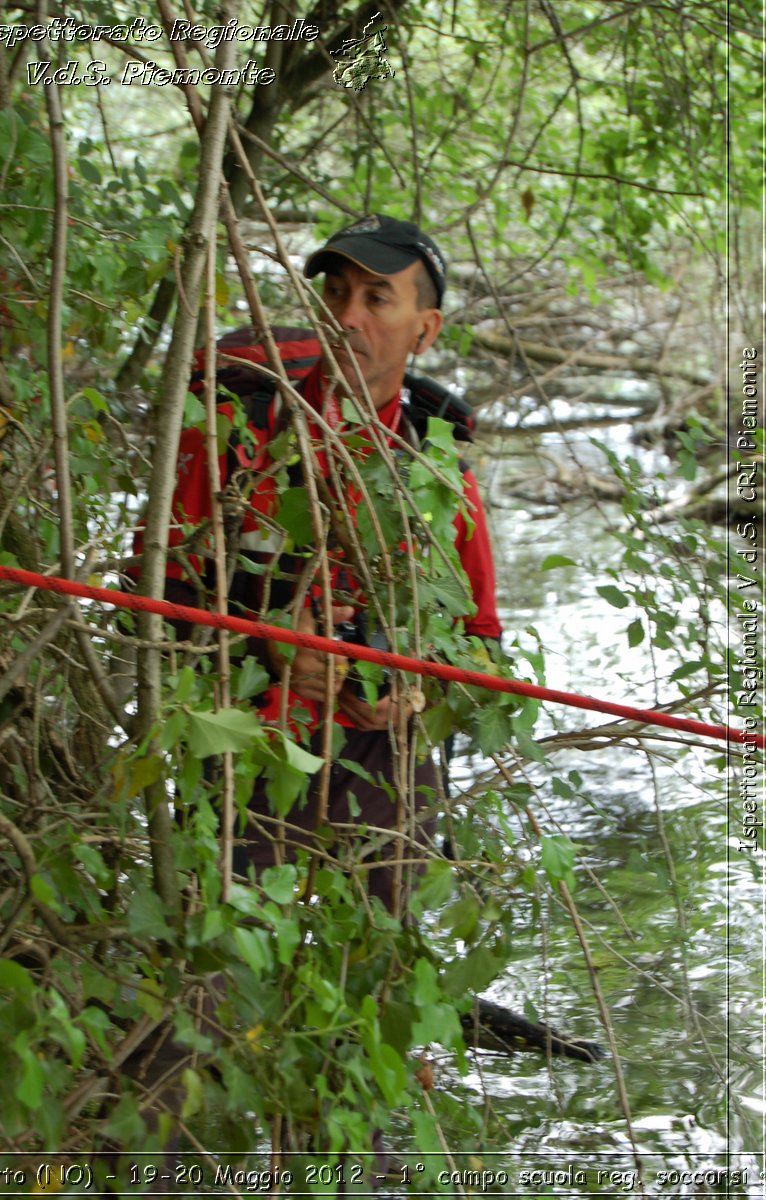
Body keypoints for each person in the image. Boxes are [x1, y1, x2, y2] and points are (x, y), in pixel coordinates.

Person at [225, 214, 502, 913]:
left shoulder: (443, 477)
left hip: (384, 756)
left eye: (377, 299)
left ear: (425, 329)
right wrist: (270, 646)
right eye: (336, 293)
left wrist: (420, 692)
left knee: (387, 973)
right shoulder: (238, 434)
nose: (347, 317)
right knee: (219, 987)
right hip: (247, 743)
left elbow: (482, 649)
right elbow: (152, 605)